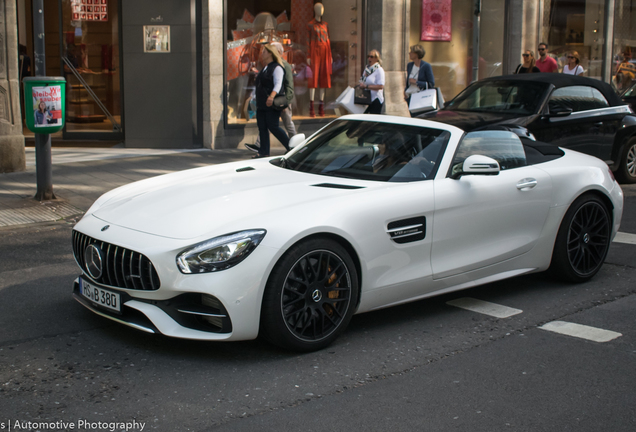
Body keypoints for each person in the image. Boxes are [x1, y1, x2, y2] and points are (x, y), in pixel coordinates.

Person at [245, 42, 296, 154]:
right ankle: (264, 151)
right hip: (262, 103)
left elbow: (279, 84)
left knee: (274, 126)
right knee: (262, 127)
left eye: (264, 51)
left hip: (271, 102)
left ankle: (291, 148)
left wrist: (273, 97)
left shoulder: (278, 67)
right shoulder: (265, 68)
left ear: (270, 53)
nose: (262, 54)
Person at [404, 45, 435, 116]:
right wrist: (405, 91)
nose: (409, 53)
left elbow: (431, 83)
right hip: (410, 96)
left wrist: (416, 82)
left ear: (417, 54)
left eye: (411, 52)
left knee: (420, 117)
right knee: (413, 117)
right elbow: (408, 81)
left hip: (420, 97)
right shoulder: (410, 65)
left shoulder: (426, 66)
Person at [359, 49, 385, 115]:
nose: (369, 58)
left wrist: (367, 87)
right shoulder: (367, 70)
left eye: (371, 57)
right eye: (368, 56)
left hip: (375, 99)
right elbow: (363, 81)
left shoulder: (379, 70)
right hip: (366, 98)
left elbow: (381, 86)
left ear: (376, 58)